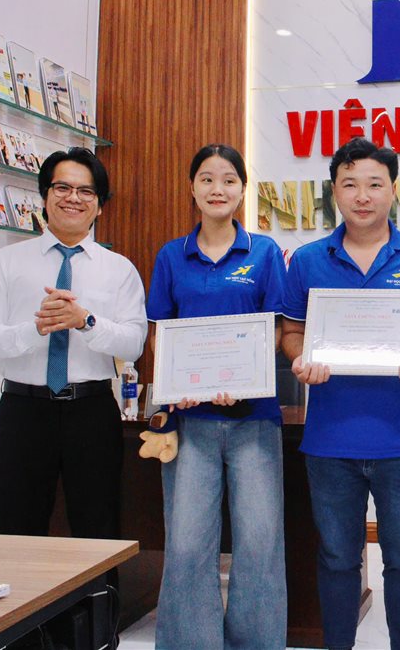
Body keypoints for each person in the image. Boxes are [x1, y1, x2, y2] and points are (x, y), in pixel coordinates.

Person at [280, 138, 400, 650]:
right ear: (334, 191)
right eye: (350, 184)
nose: (363, 196)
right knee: (337, 558)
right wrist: (300, 358)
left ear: (393, 190)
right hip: (331, 440)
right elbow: (292, 332)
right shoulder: (308, 261)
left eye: (375, 184)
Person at [147, 144, 288, 649]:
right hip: (191, 423)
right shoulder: (172, 255)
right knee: (188, 545)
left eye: (228, 179)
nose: (217, 189)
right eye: (206, 179)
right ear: (192, 188)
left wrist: (244, 379)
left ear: (242, 189)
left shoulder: (264, 253)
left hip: (254, 420)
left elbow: (277, 329)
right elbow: (160, 333)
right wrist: (178, 384)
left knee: (259, 544)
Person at [0, 147, 147, 542]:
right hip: (22, 412)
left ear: (99, 205)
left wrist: (85, 321)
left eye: (86, 191)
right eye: (62, 187)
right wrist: (36, 328)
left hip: (91, 412)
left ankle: (98, 588)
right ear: (45, 195)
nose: (73, 198)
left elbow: (134, 343)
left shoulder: (119, 269)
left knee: (98, 534)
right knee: (19, 533)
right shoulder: (6, 262)